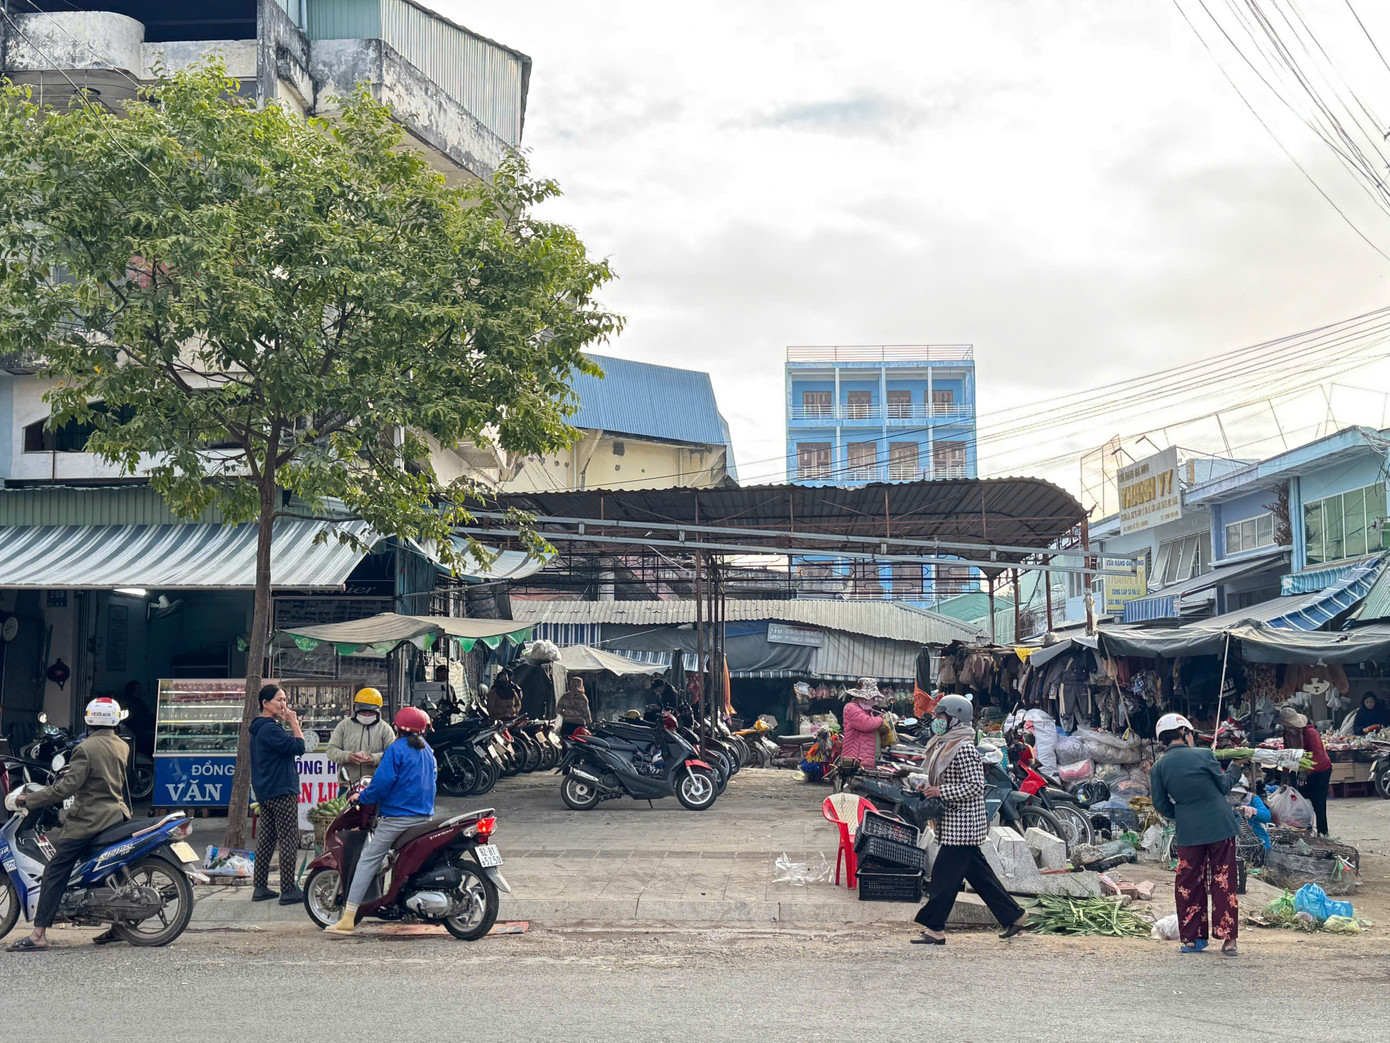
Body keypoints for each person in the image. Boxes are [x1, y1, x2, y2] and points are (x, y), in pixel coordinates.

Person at [6, 697, 132, 952]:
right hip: (116, 815)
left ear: (89, 720)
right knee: (110, 870)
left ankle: (38, 934)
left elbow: (64, 789)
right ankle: (120, 926)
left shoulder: (86, 749)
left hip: (90, 820)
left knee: (55, 871)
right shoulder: (122, 745)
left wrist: (28, 799)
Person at [911, 695, 1028, 945]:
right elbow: (946, 778)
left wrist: (940, 791)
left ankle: (935, 929)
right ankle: (1014, 916)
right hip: (954, 822)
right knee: (980, 877)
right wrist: (929, 786)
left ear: (955, 718)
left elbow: (975, 786)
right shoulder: (946, 744)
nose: (937, 721)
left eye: (941, 716)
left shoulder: (963, 748)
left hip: (962, 824)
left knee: (944, 877)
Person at [323, 706, 437, 935]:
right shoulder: (428, 750)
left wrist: (362, 797)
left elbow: (382, 783)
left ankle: (348, 918)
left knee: (367, 860)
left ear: (396, 728)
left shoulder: (396, 749)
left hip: (397, 819)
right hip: (425, 817)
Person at [1149, 712, 1244, 956]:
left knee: (1188, 883)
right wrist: (1236, 767)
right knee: (1223, 881)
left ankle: (1191, 940)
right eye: (1191, 733)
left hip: (1188, 831)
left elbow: (1160, 803)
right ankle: (1228, 940)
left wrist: (1181, 813)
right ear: (1184, 732)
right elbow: (1224, 786)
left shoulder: (1158, 767)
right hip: (1220, 826)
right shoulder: (1204, 755)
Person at [249, 684, 306, 905]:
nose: (284, 705)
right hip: (281, 789)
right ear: (265, 703)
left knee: (266, 839)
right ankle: (288, 889)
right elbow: (299, 747)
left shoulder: (259, 728)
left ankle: (260, 887)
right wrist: (294, 723)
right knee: (288, 839)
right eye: (279, 700)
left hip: (266, 791)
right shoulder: (270, 729)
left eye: (285, 700)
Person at [325, 687, 396, 790]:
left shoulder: (385, 729)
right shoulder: (344, 726)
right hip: (348, 785)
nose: (367, 715)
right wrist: (348, 756)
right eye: (363, 712)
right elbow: (331, 750)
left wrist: (374, 758)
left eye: (371, 712)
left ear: (378, 711)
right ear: (356, 709)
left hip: (376, 785)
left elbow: (393, 755)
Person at [1278, 705, 1332, 836]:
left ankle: (1323, 832)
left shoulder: (1310, 733)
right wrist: (1285, 773)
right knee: (1300, 798)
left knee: (1318, 801)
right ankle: (1304, 830)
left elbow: (1317, 755)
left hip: (1320, 769)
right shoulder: (1287, 733)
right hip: (1302, 768)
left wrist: (1305, 772)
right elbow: (1288, 754)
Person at [840, 678, 884, 767]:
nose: (873, 700)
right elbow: (867, 724)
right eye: (872, 697)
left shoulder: (864, 710)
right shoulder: (852, 708)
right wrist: (880, 719)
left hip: (863, 756)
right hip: (855, 757)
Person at [1228, 775, 1271, 852]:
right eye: (1232, 794)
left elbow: (1267, 816)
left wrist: (1253, 811)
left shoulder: (1252, 799)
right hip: (1233, 843)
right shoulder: (1224, 801)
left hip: (1257, 840)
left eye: (1238, 794)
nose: (1234, 797)